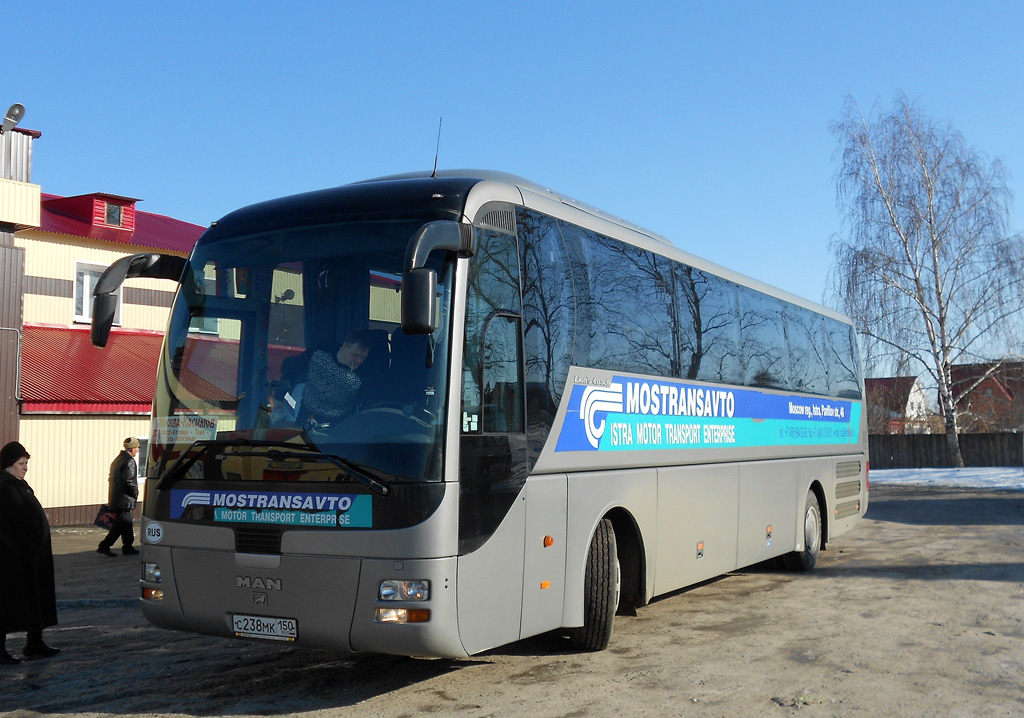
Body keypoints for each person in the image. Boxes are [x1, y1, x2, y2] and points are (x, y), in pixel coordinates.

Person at [0, 441, 60, 664]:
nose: (25, 467)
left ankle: (34, 642)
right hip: (14, 560)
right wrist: (27, 550)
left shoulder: (18, 485)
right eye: (21, 463)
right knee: (8, 603)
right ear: (9, 465)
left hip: (32, 557)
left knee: (35, 600)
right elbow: (9, 527)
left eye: (26, 463)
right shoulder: (5, 488)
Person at [300, 330, 373, 428]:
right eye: (355, 355)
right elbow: (294, 368)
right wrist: (279, 397)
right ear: (345, 346)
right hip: (307, 413)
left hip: (338, 424)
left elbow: (365, 402)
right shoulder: (321, 350)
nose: (358, 361)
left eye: (362, 357)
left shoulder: (364, 374)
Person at [97, 437, 140, 558]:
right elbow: (130, 481)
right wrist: (135, 493)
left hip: (116, 498)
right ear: (132, 449)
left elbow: (111, 478)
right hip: (124, 499)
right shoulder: (130, 461)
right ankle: (105, 545)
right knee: (123, 524)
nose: (137, 450)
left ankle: (127, 547)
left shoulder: (118, 459)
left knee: (125, 523)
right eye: (136, 448)